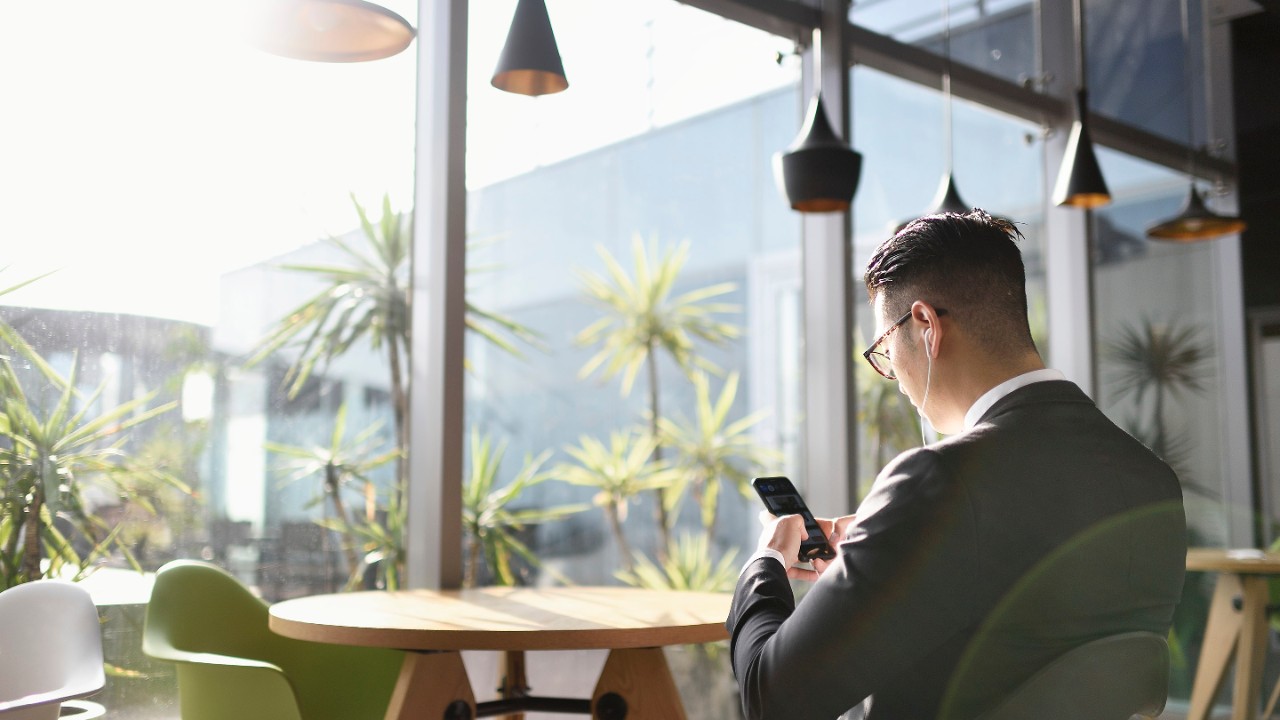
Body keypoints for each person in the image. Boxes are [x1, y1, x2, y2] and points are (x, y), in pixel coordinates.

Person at [726, 210, 1186, 720]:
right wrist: (887, 555)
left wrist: (765, 561)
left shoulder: (937, 480)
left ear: (925, 326)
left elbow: (769, 699)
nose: (893, 377)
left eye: (883, 347)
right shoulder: (1151, 478)